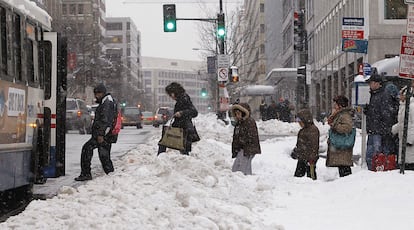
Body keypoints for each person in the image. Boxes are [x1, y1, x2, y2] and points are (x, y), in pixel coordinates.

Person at [75, 83, 116, 181]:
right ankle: (110, 175)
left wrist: (101, 134)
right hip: (102, 134)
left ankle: (86, 174)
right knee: (104, 156)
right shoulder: (106, 101)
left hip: (102, 135)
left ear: (101, 93)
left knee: (88, 149)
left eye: (96, 94)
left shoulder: (107, 102)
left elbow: (106, 121)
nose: (95, 96)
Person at [364, 73, 398, 171]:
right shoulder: (375, 95)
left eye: (371, 83)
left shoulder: (382, 95)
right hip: (374, 130)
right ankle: (374, 170)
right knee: (373, 155)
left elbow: (386, 114)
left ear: (377, 83)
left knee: (375, 155)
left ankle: (376, 171)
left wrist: (384, 129)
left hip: (378, 131)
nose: (370, 85)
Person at [158, 82, 198, 156]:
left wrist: (181, 113)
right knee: (165, 142)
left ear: (173, 93)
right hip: (182, 127)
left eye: (170, 94)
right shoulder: (181, 98)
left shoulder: (184, 99)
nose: (170, 97)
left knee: (164, 142)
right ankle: (161, 158)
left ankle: (160, 158)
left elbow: (194, 112)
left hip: (184, 128)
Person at [326, 95, 354, 177]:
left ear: (340, 105)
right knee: (342, 167)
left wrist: (334, 125)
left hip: (342, 146)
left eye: (336, 104)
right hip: (341, 147)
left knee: (344, 169)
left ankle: (347, 185)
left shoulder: (344, 115)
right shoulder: (339, 114)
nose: (334, 106)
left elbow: (347, 128)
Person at [231, 103, 261, 175]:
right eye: (235, 114)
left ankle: (245, 182)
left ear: (243, 113)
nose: (237, 116)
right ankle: (247, 181)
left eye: (238, 113)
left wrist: (242, 142)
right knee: (240, 169)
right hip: (242, 150)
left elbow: (251, 136)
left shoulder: (249, 122)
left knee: (240, 171)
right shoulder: (239, 123)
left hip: (247, 150)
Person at [291, 109, 319, 180]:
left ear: (305, 120)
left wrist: (312, 157)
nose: (299, 124)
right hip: (302, 157)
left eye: (300, 122)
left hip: (310, 159)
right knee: (297, 177)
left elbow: (314, 145)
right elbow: (300, 143)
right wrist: (297, 151)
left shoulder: (313, 130)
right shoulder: (303, 130)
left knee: (311, 177)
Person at [392, 81, 414, 169]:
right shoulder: (403, 106)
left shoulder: (412, 106)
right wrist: (394, 129)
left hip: (409, 141)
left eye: (401, 94)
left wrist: (410, 139)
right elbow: (403, 122)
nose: (399, 97)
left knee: (409, 161)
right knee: (404, 160)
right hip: (403, 138)